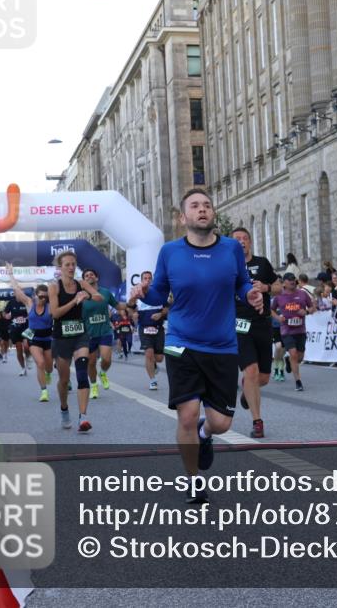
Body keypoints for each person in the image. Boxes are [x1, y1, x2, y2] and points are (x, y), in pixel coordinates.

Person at [128, 188, 263, 505]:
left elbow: (241, 283)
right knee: (186, 416)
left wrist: (250, 294)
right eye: (195, 206)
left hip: (222, 346)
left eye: (207, 205)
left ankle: (206, 435)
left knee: (220, 423)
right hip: (182, 343)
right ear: (183, 217)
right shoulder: (170, 252)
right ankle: (194, 481)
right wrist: (143, 293)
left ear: (212, 214)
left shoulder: (230, 248)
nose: (202, 210)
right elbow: (159, 295)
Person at [231, 227, 280, 439]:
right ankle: (257, 421)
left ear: (250, 242)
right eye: (237, 239)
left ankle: (248, 393)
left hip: (263, 323)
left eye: (245, 239)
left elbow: (279, 287)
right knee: (250, 372)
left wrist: (266, 287)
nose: (241, 242)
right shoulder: (228, 267)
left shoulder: (262, 263)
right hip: (240, 324)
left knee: (264, 378)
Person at [48, 250, 103, 432]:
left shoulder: (81, 283)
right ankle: (64, 408)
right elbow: (54, 313)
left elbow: (99, 296)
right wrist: (74, 301)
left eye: (73, 264)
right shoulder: (54, 287)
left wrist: (87, 295)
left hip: (80, 334)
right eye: (67, 265)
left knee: (81, 372)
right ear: (60, 267)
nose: (71, 268)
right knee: (64, 380)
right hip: (61, 336)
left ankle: (83, 417)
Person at [7, 267, 54, 402]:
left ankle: (48, 373)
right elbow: (16, 289)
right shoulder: (29, 303)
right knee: (40, 363)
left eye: (46, 297)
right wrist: (10, 274)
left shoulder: (50, 306)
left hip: (48, 338)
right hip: (35, 338)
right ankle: (44, 391)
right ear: (35, 295)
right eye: (40, 296)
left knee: (49, 367)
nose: (43, 299)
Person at [81, 269, 126, 399]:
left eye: (92, 275)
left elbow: (117, 306)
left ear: (97, 278)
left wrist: (130, 304)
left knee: (106, 359)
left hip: (105, 330)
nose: (89, 276)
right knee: (91, 363)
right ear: (84, 280)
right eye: (86, 275)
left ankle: (103, 372)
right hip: (89, 333)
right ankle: (94, 386)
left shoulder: (105, 292)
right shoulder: (81, 295)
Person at [271, 272, 315, 392]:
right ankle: (298, 382)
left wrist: (306, 312)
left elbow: (312, 307)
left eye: (294, 280)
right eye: (290, 280)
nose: (292, 282)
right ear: (284, 283)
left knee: (299, 357)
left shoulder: (302, 294)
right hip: (287, 330)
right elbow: (271, 310)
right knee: (294, 354)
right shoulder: (279, 296)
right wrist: (278, 318)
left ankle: (288, 361)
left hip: (300, 330)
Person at [131, 271, 168, 391]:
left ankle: (154, 364)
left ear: (152, 280)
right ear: (141, 280)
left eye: (149, 278)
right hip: (144, 328)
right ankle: (153, 381)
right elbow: (130, 308)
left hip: (158, 328)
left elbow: (167, 308)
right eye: (145, 278)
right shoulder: (138, 294)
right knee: (148, 354)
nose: (147, 280)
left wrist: (160, 314)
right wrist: (134, 314)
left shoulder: (158, 294)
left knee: (159, 358)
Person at [5, 289, 31, 376]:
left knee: (27, 346)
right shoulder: (11, 302)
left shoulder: (27, 301)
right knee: (19, 349)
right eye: (18, 293)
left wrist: (26, 318)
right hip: (15, 328)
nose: (20, 294)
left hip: (27, 327)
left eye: (22, 293)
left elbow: (33, 312)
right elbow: (4, 313)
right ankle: (23, 368)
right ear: (15, 294)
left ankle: (28, 357)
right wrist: (6, 316)